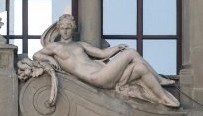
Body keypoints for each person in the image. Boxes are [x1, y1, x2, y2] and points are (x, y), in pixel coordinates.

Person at [32, 14, 179, 108]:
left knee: (140, 68)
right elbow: (37, 55)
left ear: (73, 29)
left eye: (68, 28)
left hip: (105, 73)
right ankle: (159, 79)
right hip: (97, 78)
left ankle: (163, 99)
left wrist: (116, 48)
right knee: (131, 53)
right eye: (62, 28)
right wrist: (50, 59)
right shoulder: (55, 47)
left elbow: (102, 53)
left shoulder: (80, 45)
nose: (65, 31)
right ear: (58, 28)